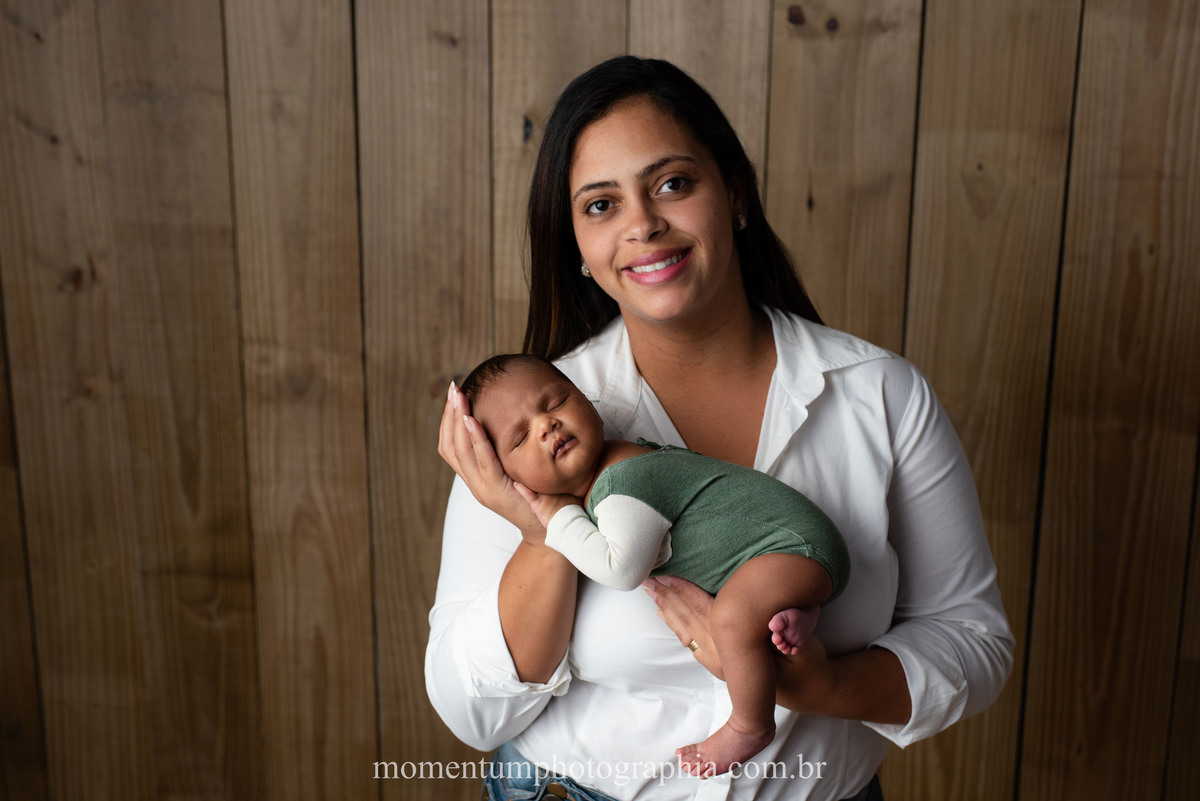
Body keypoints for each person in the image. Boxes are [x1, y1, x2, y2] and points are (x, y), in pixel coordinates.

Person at [430, 55, 1013, 801]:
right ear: (575, 245)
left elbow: (972, 642)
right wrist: (544, 527)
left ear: (735, 193)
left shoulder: (882, 396)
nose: (642, 223)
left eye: (672, 183)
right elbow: (470, 710)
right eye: (601, 205)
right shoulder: (527, 436)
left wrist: (826, 686)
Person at [458, 352, 852, 777]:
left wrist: (555, 515)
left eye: (556, 403)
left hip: (796, 547)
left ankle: (749, 725)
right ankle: (796, 610)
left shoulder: (625, 478)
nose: (545, 425)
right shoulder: (608, 480)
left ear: (588, 402)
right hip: (790, 557)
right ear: (506, 474)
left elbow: (621, 569)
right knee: (747, 606)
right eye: (519, 437)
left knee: (732, 617)